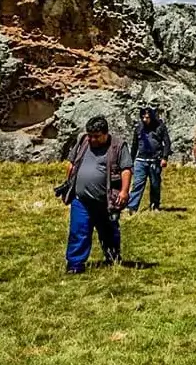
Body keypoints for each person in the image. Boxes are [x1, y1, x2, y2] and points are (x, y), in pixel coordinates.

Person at [63, 115, 132, 274]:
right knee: (78, 231)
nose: (92, 139)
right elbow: (72, 164)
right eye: (90, 135)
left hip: (105, 201)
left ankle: (113, 257)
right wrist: (68, 185)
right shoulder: (83, 142)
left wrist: (124, 191)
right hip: (81, 200)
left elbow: (126, 169)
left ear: (105, 134)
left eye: (96, 136)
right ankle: (75, 264)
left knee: (109, 231)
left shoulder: (118, 146)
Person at [126, 105, 171, 213]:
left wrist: (164, 157)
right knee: (137, 184)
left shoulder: (160, 126)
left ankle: (155, 205)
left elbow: (167, 142)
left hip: (155, 160)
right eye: (143, 117)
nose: (145, 119)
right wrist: (131, 162)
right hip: (141, 160)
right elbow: (134, 146)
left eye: (147, 117)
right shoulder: (139, 128)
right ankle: (132, 207)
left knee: (155, 184)